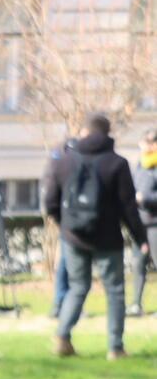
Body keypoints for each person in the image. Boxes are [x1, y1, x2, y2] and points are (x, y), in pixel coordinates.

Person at [43, 113, 147, 359]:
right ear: (108, 133)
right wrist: (140, 238)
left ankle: (62, 336)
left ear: (85, 132)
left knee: (77, 286)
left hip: (73, 236)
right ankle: (115, 347)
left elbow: (50, 202)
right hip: (108, 237)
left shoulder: (64, 161)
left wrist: (64, 224)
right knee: (115, 290)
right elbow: (128, 207)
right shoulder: (117, 163)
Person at [130, 129, 157, 317]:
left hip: (155, 223)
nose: (148, 145)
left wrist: (146, 198)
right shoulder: (138, 166)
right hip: (139, 224)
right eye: (145, 142)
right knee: (138, 264)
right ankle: (135, 304)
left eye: (152, 141)